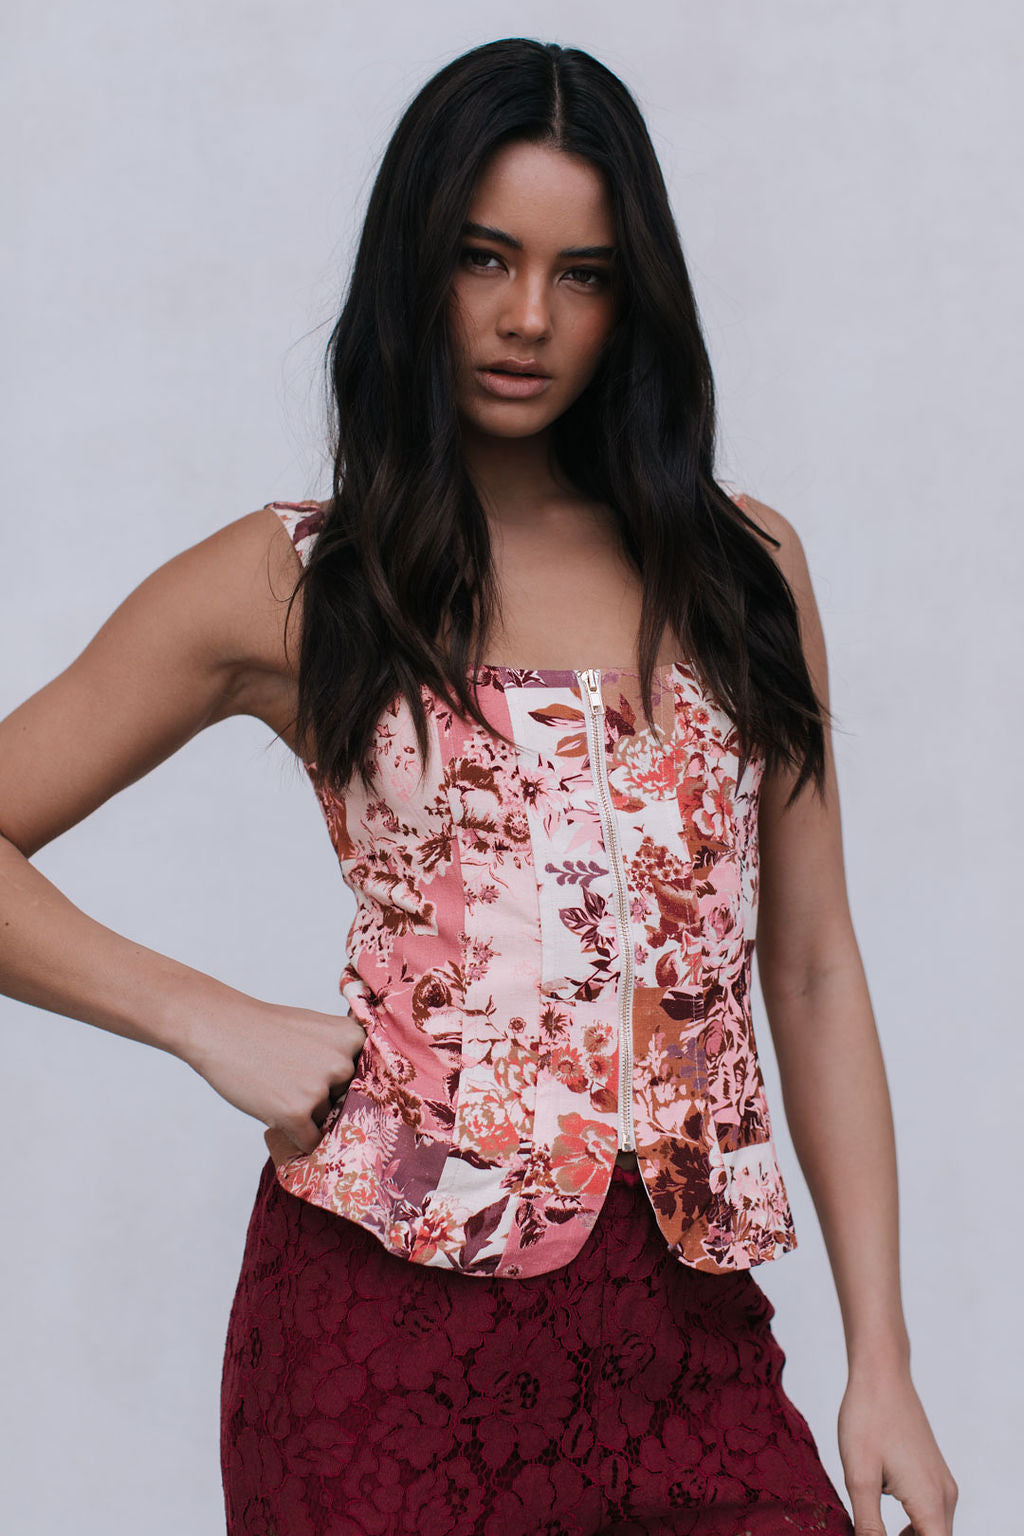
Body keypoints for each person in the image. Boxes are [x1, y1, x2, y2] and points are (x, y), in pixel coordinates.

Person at [0, 35, 957, 1536]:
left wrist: (882, 1358)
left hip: (687, 1349)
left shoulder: (744, 571)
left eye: (581, 273)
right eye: (483, 257)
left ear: (632, 297)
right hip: (382, 1346)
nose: (527, 319)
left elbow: (818, 970)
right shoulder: (298, 582)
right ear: (416, 269)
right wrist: (202, 1019)